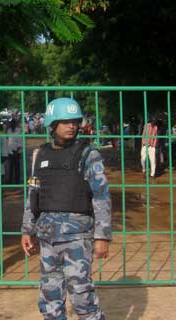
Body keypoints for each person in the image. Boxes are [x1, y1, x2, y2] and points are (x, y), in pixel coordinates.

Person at [21, 97, 111, 320]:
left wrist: (102, 236)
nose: (72, 126)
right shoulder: (39, 155)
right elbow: (33, 193)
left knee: (82, 298)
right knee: (50, 298)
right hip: (47, 237)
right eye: (65, 121)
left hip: (77, 238)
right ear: (52, 124)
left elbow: (101, 196)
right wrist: (26, 229)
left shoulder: (89, 154)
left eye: (75, 121)